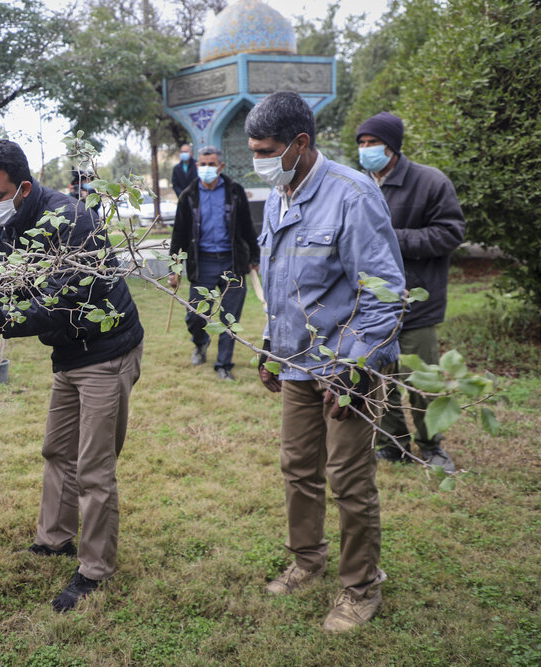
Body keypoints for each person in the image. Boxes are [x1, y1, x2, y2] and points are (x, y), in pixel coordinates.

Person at [0, 140, 144, 613]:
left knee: (94, 468)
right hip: (69, 356)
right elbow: (10, 289)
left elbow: (60, 302)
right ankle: (54, 539)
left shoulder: (72, 220)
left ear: (24, 187)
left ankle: (95, 569)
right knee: (56, 450)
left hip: (106, 353)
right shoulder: (11, 226)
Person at [247, 91, 405, 632]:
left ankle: (361, 587)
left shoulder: (352, 195)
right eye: (254, 150)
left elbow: (385, 294)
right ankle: (306, 559)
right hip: (296, 364)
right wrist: (270, 343)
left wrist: (356, 369)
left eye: (266, 150)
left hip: (347, 369)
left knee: (349, 478)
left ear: (300, 143)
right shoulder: (278, 192)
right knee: (298, 470)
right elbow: (278, 279)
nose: (259, 160)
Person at [356, 112, 465, 472]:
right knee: (381, 379)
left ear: (393, 146)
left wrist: (394, 239)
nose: (367, 149)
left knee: (422, 380)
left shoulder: (430, 182)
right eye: (362, 143)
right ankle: (392, 443)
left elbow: (450, 233)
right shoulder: (358, 184)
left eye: (374, 143)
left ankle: (432, 446)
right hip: (372, 303)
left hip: (416, 301)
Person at [168, 145, 260, 378]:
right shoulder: (188, 195)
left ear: (220, 166)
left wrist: (254, 257)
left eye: (211, 164)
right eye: (203, 164)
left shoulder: (235, 191)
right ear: (197, 165)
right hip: (203, 263)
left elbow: (248, 227)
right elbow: (178, 234)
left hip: (233, 262)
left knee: (229, 318)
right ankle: (201, 343)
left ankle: (223, 366)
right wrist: (174, 268)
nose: (206, 168)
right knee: (195, 315)